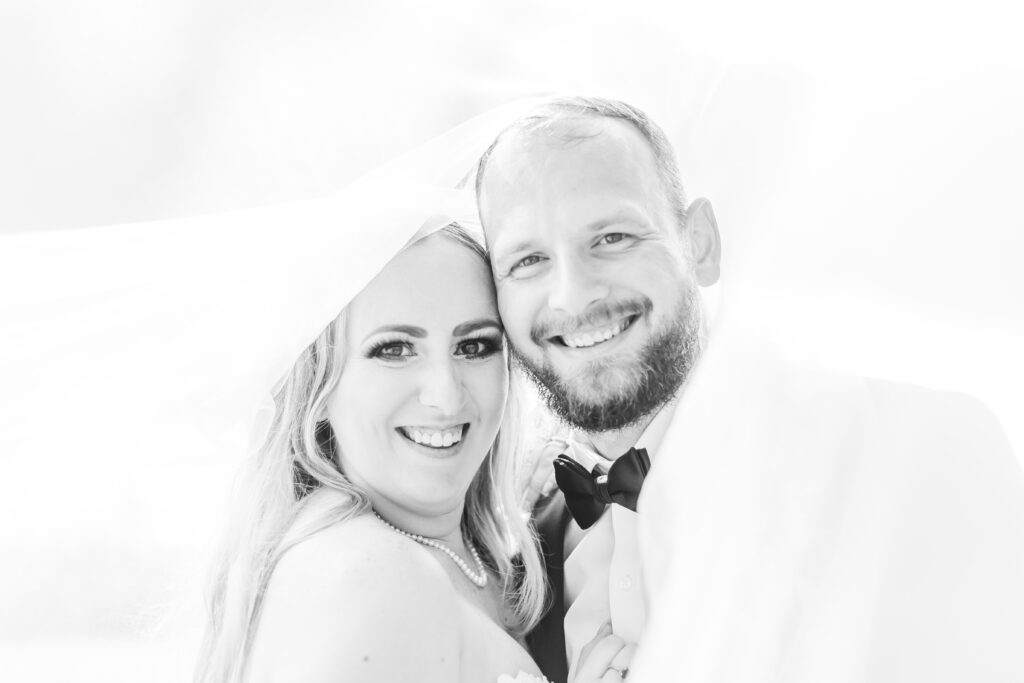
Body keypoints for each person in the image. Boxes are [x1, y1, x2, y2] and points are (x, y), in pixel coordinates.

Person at [475, 97, 1024, 682]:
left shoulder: (922, 452)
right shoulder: (521, 554)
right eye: (528, 260)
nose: (573, 296)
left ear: (701, 244)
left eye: (612, 237)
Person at [194, 211, 638, 683]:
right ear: (318, 389)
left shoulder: (469, 561)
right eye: (394, 350)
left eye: (474, 346)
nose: (446, 395)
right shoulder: (372, 575)